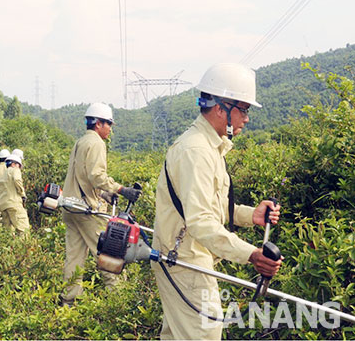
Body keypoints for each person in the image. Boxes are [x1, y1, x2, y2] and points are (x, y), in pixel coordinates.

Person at [151, 63, 282, 340]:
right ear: (221, 108)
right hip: (185, 261)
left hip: (187, 258)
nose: (246, 118)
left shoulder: (209, 146)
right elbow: (200, 221)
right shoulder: (196, 151)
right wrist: (251, 254)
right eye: (243, 109)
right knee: (205, 334)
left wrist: (251, 215)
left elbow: (210, 207)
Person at [59, 103, 141, 307]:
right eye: (109, 124)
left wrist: (103, 194)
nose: (110, 129)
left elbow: (83, 176)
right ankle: (119, 300)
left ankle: (68, 301)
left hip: (70, 207)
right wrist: (121, 189)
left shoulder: (81, 142)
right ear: (98, 124)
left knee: (74, 257)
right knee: (108, 251)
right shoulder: (96, 143)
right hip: (86, 210)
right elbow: (96, 176)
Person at [0, 153, 30, 235]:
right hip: (14, 204)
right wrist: (22, 194)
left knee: (9, 232)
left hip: (3, 206)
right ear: (14, 164)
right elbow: (17, 180)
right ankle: (24, 247)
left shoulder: (2, 176)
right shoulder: (15, 170)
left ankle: (11, 247)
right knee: (23, 229)